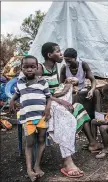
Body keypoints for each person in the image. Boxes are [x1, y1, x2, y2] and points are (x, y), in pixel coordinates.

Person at [36, 42, 102, 178]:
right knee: (66, 115)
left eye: (68, 58)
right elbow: (40, 93)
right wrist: (64, 91)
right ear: (50, 55)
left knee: (83, 104)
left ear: (75, 59)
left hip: (66, 97)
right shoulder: (41, 68)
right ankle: (67, 160)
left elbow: (57, 88)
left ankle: (95, 136)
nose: (62, 55)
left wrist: (68, 86)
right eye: (59, 52)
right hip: (48, 104)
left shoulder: (78, 65)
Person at [9, 55, 51, 181]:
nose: (29, 69)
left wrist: (48, 108)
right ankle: (29, 169)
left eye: (32, 67)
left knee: (42, 140)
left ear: (37, 67)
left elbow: (48, 97)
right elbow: (16, 94)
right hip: (28, 118)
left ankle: (37, 166)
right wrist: (11, 100)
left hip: (42, 116)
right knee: (29, 143)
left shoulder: (43, 82)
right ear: (21, 68)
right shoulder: (20, 82)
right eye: (26, 67)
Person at [60, 48, 101, 119]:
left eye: (69, 60)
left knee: (96, 92)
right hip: (71, 92)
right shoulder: (64, 68)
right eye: (65, 60)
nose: (67, 63)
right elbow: (61, 85)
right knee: (75, 96)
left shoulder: (83, 65)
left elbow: (93, 80)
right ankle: (79, 120)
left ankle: (99, 119)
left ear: (75, 58)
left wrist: (91, 90)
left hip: (82, 90)